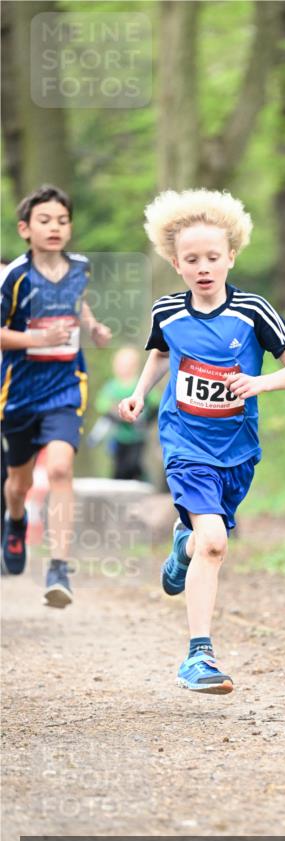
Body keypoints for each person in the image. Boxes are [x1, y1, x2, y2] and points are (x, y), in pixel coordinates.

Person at [118, 188, 285, 694]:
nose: (203, 267)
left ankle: (182, 548)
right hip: (184, 443)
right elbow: (160, 355)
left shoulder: (252, 311)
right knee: (218, 542)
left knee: (204, 541)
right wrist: (140, 393)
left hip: (238, 449)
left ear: (230, 257)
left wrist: (260, 382)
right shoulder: (169, 312)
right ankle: (197, 657)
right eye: (191, 259)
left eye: (212, 257)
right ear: (176, 264)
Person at [0, 185, 112, 605]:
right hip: (19, 393)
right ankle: (14, 521)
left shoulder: (80, 267)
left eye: (62, 221)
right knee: (18, 483)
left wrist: (94, 326)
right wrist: (37, 336)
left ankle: (59, 567)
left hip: (66, 384)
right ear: (25, 229)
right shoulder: (15, 275)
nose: (55, 228)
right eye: (45, 221)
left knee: (62, 468)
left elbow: (77, 304)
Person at [92, 347, 159, 480]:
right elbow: (101, 404)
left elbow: (155, 401)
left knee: (134, 463)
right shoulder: (111, 386)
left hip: (137, 436)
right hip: (117, 436)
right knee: (119, 465)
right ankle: (117, 486)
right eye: (121, 365)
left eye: (128, 365)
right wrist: (115, 413)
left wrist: (147, 418)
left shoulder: (138, 385)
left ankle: (144, 482)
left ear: (135, 366)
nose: (124, 369)